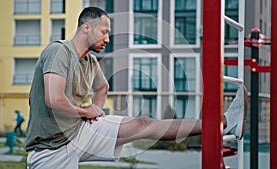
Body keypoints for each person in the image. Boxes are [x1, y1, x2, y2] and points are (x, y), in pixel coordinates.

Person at [26, 7, 247, 169]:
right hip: (50, 151)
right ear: (86, 27)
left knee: (144, 124)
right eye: (104, 32)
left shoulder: (90, 62)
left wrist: (94, 111)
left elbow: (102, 87)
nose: (108, 38)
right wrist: (87, 111)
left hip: (77, 133)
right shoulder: (59, 52)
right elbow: (53, 100)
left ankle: (224, 123)